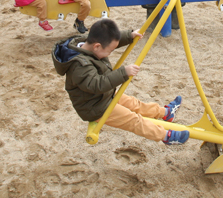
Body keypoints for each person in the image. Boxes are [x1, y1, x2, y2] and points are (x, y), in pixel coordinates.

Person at [52, 19, 190, 145]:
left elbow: (109, 40)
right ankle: (166, 136)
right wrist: (123, 72)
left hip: (104, 96)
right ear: (97, 47)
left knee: (134, 103)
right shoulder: (79, 66)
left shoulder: (86, 43)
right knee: (134, 120)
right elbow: (96, 85)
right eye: (110, 51)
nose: (110, 53)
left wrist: (128, 36)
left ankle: (165, 113)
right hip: (95, 108)